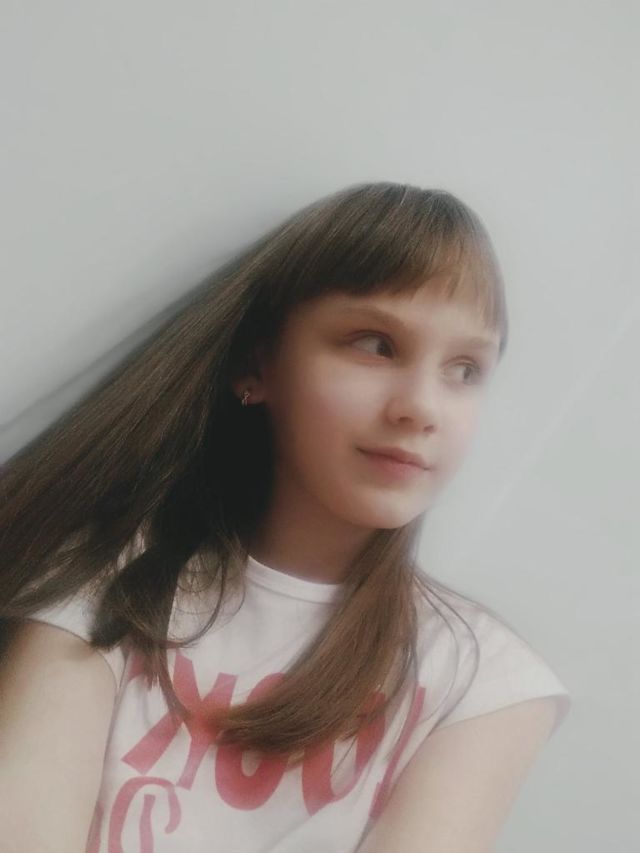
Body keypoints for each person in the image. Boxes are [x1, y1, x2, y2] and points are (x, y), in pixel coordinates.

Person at [0, 181, 571, 852]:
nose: (422, 407)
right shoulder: (103, 582)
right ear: (257, 363)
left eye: (466, 369)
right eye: (376, 344)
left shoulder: (486, 683)